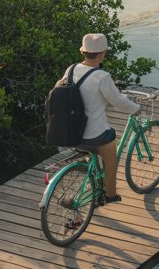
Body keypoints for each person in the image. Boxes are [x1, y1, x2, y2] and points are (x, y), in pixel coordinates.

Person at [57, 33, 141, 205]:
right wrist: (136, 109)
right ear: (102, 54)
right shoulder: (102, 76)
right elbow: (117, 101)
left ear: (83, 52)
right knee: (111, 154)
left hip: (70, 132)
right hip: (93, 134)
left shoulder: (71, 69)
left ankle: (93, 182)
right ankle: (110, 195)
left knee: (95, 152)